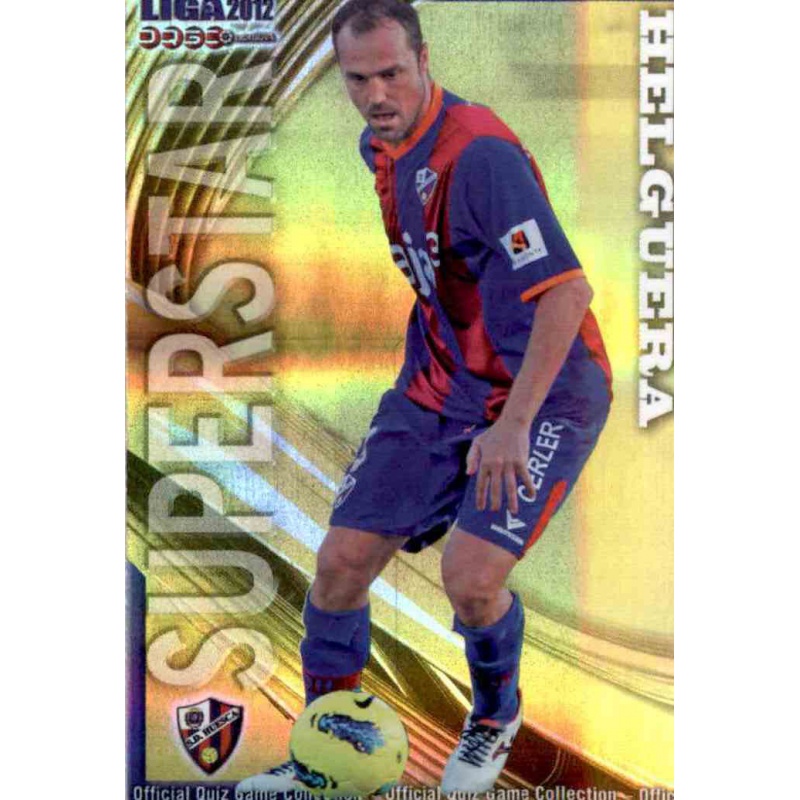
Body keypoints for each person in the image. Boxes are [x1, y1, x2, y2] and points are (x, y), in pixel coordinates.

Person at [238, 0, 612, 793]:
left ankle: (495, 716)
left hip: (544, 393)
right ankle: (325, 762)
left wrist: (512, 427)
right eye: (357, 79)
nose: (377, 95)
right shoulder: (378, 146)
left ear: (425, 59)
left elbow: (567, 294)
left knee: (471, 579)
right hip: (439, 385)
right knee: (339, 567)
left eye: (392, 74)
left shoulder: (481, 155)